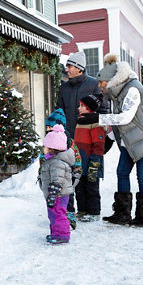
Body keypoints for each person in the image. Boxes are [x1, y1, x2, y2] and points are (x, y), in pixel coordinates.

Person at [92, 54, 143, 226]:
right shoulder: (117, 94)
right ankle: (122, 214)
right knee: (122, 172)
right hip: (131, 142)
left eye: (101, 82)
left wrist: (99, 119)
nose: (99, 86)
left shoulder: (132, 89)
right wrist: (107, 139)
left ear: (110, 80)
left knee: (142, 177)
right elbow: (121, 127)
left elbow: (125, 117)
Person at [56, 51, 103, 223]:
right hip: (70, 139)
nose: (66, 69)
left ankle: (93, 210)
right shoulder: (64, 87)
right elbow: (59, 111)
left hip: (89, 137)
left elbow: (102, 110)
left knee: (90, 174)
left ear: (79, 68)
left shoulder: (93, 85)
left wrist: (95, 128)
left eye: (69, 66)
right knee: (74, 174)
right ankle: (80, 210)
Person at [44, 108, 82, 230]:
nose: (48, 129)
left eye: (51, 127)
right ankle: (57, 218)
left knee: (67, 196)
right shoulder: (48, 140)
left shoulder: (68, 141)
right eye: (47, 127)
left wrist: (77, 170)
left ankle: (69, 218)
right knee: (54, 198)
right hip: (51, 174)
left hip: (66, 174)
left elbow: (75, 155)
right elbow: (43, 156)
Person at [39, 124, 76, 244]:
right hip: (54, 194)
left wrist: (53, 194)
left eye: (45, 146)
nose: (43, 148)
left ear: (52, 148)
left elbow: (58, 179)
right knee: (53, 214)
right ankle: (56, 233)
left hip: (58, 194)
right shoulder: (52, 160)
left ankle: (62, 235)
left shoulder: (57, 162)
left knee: (58, 214)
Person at [75, 93, 106, 221]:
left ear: (89, 108)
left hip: (92, 161)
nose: (79, 108)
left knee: (92, 187)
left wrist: (95, 162)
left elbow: (99, 145)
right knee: (79, 187)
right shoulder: (80, 121)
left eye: (82, 106)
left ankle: (94, 212)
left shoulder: (95, 123)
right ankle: (82, 210)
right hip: (80, 161)